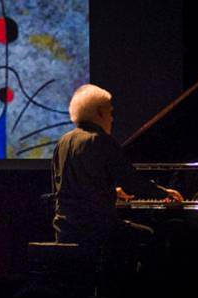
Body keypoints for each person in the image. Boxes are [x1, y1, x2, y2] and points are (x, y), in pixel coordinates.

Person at [51, 84, 182, 249]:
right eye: (110, 112)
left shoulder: (62, 142)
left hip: (65, 230)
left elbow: (67, 191)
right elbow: (132, 183)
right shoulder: (100, 140)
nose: (112, 119)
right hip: (97, 230)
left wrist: (112, 192)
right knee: (149, 236)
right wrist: (163, 192)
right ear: (99, 112)